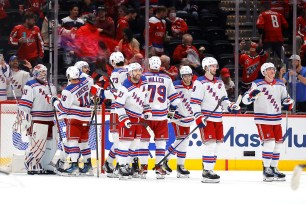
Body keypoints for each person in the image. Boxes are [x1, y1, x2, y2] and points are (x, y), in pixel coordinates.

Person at [139, 56, 193, 179]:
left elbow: (137, 95)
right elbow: (175, 101)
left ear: (149, 65)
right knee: (161, 143)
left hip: (145, 115)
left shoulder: (143, 77)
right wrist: (170, 113)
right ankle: (159, 168)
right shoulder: (167, 79)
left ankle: (143, 168)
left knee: (143, 142)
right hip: (161, 116)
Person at [190, 57, 240, 183]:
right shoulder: (200, 82)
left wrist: (230, 106)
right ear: (206, 67)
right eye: (212, 66)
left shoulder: (219, 82)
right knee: (210, 144)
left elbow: (224, 100)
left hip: (218, 118)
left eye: (215, 66)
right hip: (207, 119)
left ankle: (210, 169)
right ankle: (206, 171)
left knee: (217, 145)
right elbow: (194, 102)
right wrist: (198, 116)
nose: (214, 68)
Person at [242, 62, 294, 182]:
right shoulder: (257, 84)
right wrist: (251, 96)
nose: (272, 71)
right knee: (269, 143)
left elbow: (286, 98)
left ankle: (274, 167)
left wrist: (288, 102)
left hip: (276, 118)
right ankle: (266, 169)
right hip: (263, 119)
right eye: (270, 69)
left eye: (273, 69)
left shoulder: (280, 84)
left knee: (278, 144)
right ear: (264, 72)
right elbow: (245, 100)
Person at [49, 65, 104, 176]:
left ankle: (74, 166)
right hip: (87, 117)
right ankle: (88, 166)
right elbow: (96, 88)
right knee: (84, 142)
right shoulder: (86, 81)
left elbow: (63, 108)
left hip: (74, 118)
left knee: (73, 141)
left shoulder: (67, 91)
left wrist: (54, 100)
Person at [16, 64, 57, 174]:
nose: (43, 74)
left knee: (50, 144)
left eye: (45, 72)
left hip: (50, 119)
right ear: (35, 73)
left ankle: (45, 163)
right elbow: (24, 105)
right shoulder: (30, 85)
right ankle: (31, 163)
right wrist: (24, 119)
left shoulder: (51, 85)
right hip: (37, 119)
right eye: (41, 72)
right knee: (37, 144)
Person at [114, 62, 152, 179]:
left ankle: (127, 165)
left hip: (138, 118)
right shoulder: (124, 87)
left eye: (139, 70)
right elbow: (118, 105)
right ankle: (120, 167)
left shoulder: (143, 83)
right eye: (135, 71)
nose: (138, 73)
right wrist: (124, 119)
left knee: (135, 144)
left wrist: (147, 111)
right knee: (124, 143)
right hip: (127, 117)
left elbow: (145, 100)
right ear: (130, 73)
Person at [163, 66, 194, 178]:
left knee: (183, 140)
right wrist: (169, 115)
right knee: (182, 140)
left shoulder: (195, 86)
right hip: (177, 117)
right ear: (181, 76)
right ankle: (180, 166)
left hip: (189, 117)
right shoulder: (175, 85)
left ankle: (167, 159)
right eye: (185, 76)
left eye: (189, 75)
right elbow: (169, 100)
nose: (188, 78)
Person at [103, 51, 127, 177]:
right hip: (127, 109)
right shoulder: (129, 70)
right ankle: (114, 164)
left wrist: (105, 92)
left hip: (116, 109)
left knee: (119, 140)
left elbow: (115, 93)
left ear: (113, 62)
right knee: (122, 140)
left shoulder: (115, 73)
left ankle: (112, 163)